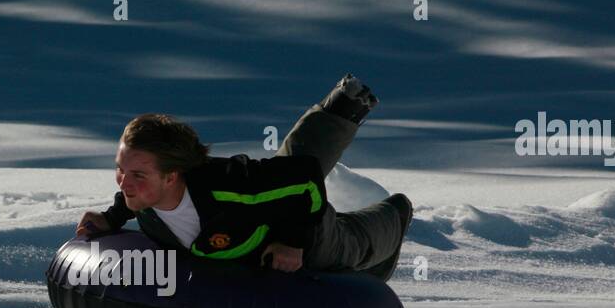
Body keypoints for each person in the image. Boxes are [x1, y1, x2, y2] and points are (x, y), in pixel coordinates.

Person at [75, 74, 412, 280]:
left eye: (136, 174)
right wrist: (111, 217)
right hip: (259, 210)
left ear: (171, 176)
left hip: (297, 222)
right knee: (281, 172)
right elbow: (131, 196)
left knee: (348, 244)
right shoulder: (145, 194)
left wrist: (293, 242)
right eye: (120, 168)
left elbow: (306, 181)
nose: (123, 182)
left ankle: (397, 214)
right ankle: (342, 107)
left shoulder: (231, 189)